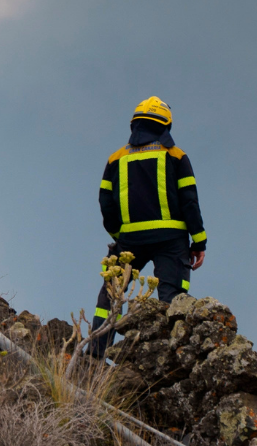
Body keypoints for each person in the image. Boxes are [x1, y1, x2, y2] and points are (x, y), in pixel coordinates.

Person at [89, 96, 207, 359]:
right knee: (172, 300)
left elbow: (105, 204)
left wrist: (120, 236)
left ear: (134, 125)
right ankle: (163, 361)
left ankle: (95, 357)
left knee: (111, 296)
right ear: (166, 126)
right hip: (171, 240)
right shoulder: (176, 156)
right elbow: (190, 202)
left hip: (130, 241)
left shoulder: (116, 158)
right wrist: (199, 242)